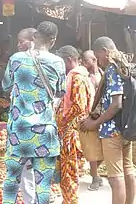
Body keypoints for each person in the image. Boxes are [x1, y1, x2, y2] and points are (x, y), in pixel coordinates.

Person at [2, 21, 66, 204]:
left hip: (18, 132)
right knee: (43, 188)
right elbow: (60, 92)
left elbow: (6, 85)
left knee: (11, 184)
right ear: (53, 40)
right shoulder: (58, 62)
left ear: (35, 36)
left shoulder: (16, 59)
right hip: (45, 133)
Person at [81, 37, 136, 204]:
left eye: (98, 56)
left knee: (115, 177)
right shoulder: (125, 66)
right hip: (125, 125)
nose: (100, 61)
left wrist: (94, 123)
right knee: (128, 170)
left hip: (112, 129)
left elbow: (116, 104)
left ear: (105, 51)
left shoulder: (112, 69)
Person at [55, 46, 95, 204]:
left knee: (69, 172)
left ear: (69, 59)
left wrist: (63, 121)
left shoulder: (77, 77)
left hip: (71, 133)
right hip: (71, 132)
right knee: (68, 172)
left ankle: (70, 201)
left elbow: (78, 106)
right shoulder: (81, 75)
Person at [82, 50, 104, 190]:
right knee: (91, 149)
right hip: (89, 116)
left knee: (103, 149)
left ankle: (95, 173)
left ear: (94, 59)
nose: (84, 63)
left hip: (103, 116)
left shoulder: (103, 74)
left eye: (86, 61)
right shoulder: (84, 76)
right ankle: (95, 177)